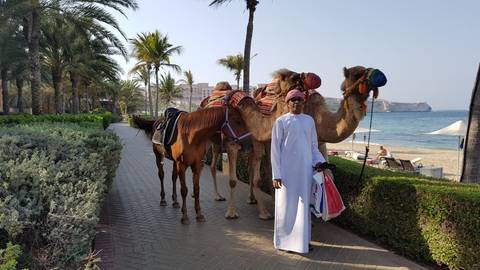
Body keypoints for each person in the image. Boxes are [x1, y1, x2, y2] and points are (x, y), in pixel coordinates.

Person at [270, 89, 328, 254]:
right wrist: (277, 175)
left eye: (299, 100)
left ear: (304, 103)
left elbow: (313, 146)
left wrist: (320, 163)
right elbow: (275, 151)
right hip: (286, 174)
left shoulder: (309, 121)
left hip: (305, 172)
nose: (296, 103)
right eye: (293, 100)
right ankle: (285, 242)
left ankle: (302, 242)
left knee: (304, 209)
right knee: (286, 206)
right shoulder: (281, 122)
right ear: (287, 103)